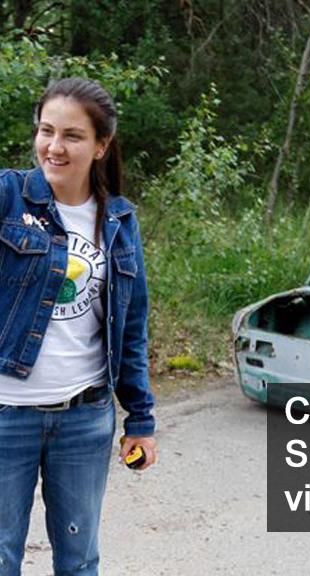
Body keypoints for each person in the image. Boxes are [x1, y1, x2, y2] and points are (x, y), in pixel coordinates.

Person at [0, 77, 157, 575]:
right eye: (46, 131)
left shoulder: (118, 221)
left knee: (79, 559)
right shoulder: (8, 198)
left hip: (84, 421)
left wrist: (141, 418)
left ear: (101, 145)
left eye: (71, 135)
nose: (54, 146)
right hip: (5, 417)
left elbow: (131, 327)